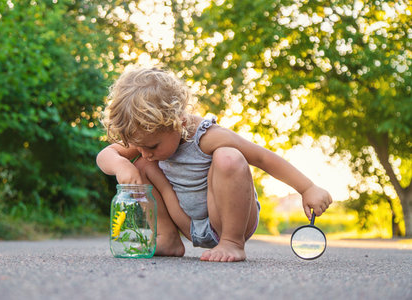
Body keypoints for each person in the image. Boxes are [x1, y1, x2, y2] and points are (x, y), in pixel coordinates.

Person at [96, 67, 332, 262]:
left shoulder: (207, 136)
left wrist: (307, 188)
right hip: (188, 223)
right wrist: (120, 165)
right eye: (141, 147)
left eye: (153, 146)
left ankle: (232, 243)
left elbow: (262, 157)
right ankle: (167, 238)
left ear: (176, 122)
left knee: (228, 157)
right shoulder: (146, 138)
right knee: (140, 167)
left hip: (227, 218)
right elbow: (105, 155)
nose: (146, 153)